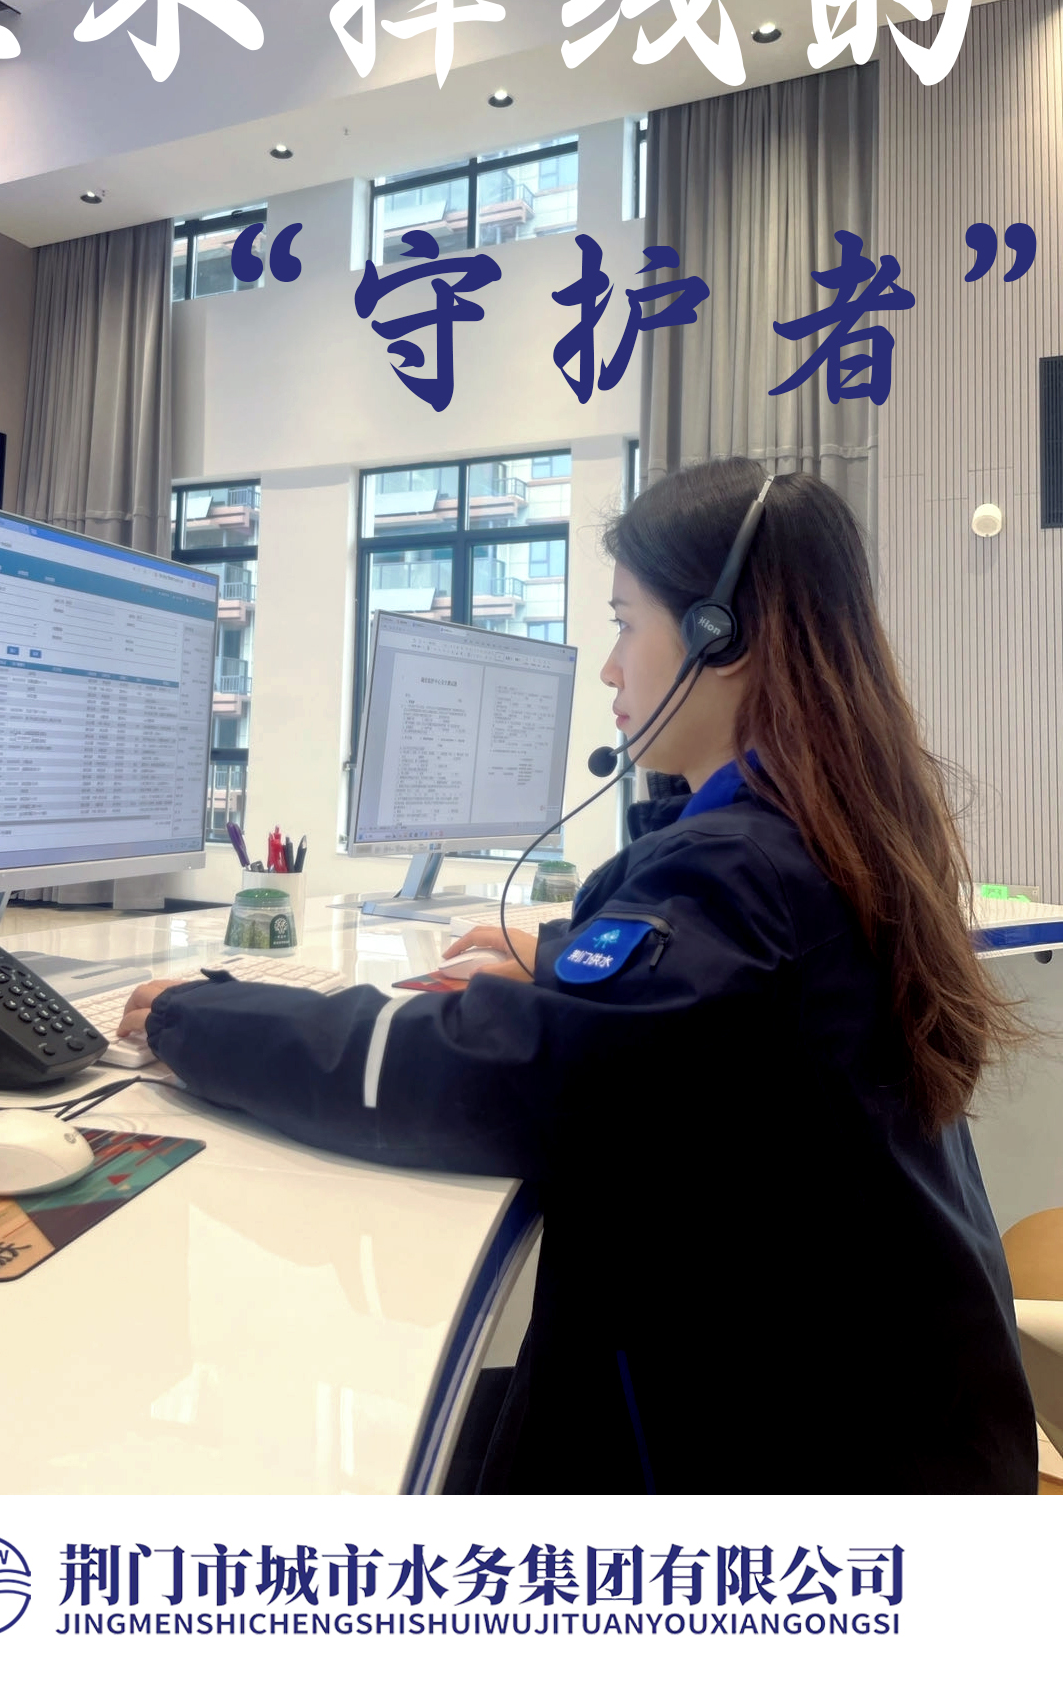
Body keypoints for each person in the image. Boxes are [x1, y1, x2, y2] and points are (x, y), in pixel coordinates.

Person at [121, 459, 1037, 1495]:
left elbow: (491, 1076)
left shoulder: (742, 876)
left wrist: (206, 1018)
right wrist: (564, 955)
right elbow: (700, 1008)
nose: (609, 669)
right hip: (862, 1413)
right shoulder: (819, 837)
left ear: (721, 638)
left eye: (623, 624)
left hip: (800, 1472)